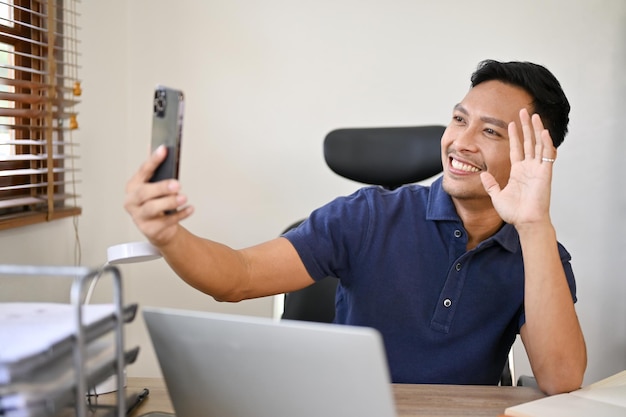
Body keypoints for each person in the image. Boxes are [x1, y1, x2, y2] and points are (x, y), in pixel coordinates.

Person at [125, 59, 586, 395]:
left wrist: (533, 223)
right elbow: (237, 277)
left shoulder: (539, 249)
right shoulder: (365, 216)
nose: (459, 142)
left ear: (537, 153)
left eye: (490, 131)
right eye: (459, 119)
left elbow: (561, 379)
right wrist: (169, 236)